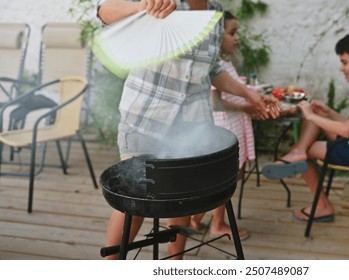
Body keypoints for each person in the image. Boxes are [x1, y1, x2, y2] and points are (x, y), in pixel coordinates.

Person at [96, 0, 281, 260]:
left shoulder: (215, 10)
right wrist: (142, 7)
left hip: (192, 124)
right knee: (135, 203)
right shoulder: (162, 2)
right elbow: (103, 10)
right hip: (144, 118)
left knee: (183, 195)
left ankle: (175, 263)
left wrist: (251, 95)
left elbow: (213, 68)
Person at [262, 30, 349, 222]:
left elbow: (347, 130)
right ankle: (297, 152)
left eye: (345, 62)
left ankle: (322, 204)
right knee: (317, 114)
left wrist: (310, 115)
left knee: (310, 147)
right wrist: (328, 112)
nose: (341, 68)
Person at [190, 11, 253, 240]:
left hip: (232, 125)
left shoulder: (224, 61)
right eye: (232, 33)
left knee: (220, 178)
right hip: (225, 128)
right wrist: (245, 107)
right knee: (224, 179)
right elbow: (215, 102)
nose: (237, 38)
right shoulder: (217, 66)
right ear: (217, 36)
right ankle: (217, 224)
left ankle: (196, 219)